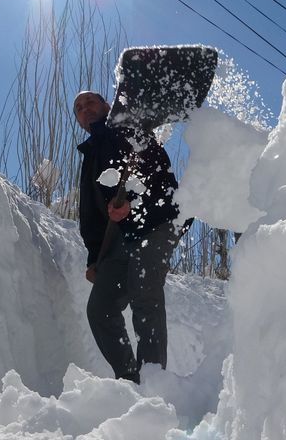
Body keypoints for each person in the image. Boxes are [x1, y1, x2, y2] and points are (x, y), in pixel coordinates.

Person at [73, 90, 183, 384]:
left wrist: (133, 202)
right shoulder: (91, 154)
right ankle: (131, 381)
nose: (85, 109)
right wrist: (95, 258)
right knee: (100, 309)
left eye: (90, 102)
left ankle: (154, 383)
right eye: (79, 108)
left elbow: (160, 173)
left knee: (145, 295)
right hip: (117, 240)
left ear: (106, 105)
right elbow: (92, 217)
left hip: (155, 222)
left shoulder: (130, 130)